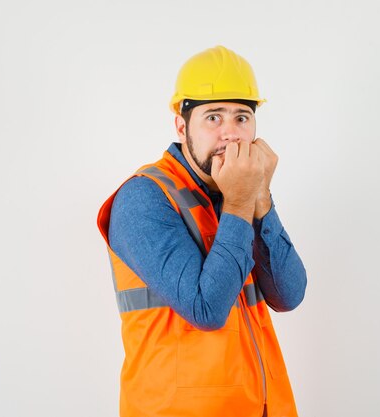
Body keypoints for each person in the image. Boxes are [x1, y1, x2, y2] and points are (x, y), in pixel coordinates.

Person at [97, 45, 307, 417]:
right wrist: (241, 201)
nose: (231, 133)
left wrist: (260, 198)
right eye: (213, 117)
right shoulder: (144, 197)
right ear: (182, 125)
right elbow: (206, 309)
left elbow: (288, 295)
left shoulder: (236, 192)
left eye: (242, 117)